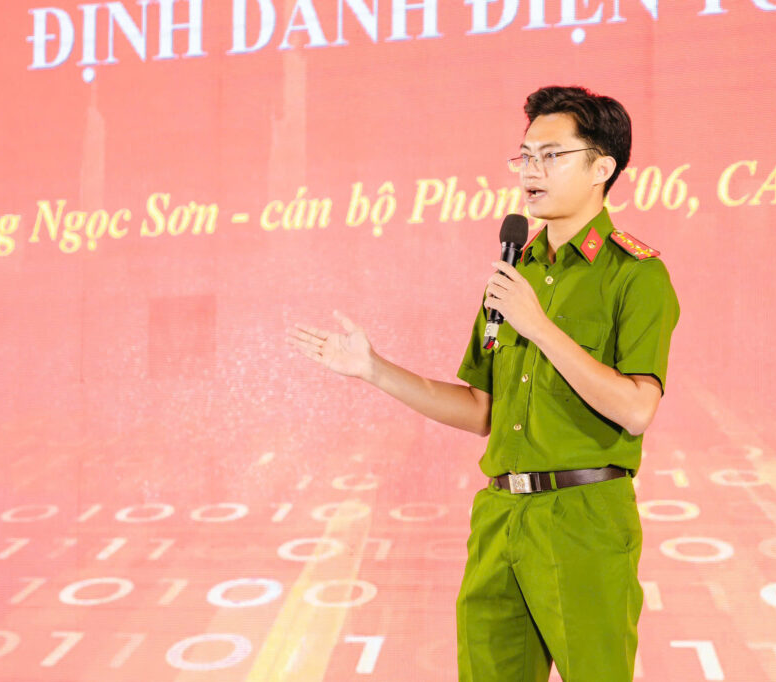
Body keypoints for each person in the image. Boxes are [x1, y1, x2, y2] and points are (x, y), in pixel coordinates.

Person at [286, 85, 680, 682]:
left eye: (552, 155)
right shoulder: (515, 272)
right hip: (500, 514)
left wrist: (539, 327)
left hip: (585, 517)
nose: (531, 170)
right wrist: (374, 369)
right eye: (525, 155)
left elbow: (637, 409)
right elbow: (479, 410)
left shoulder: (635, 274)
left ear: (602, 168)